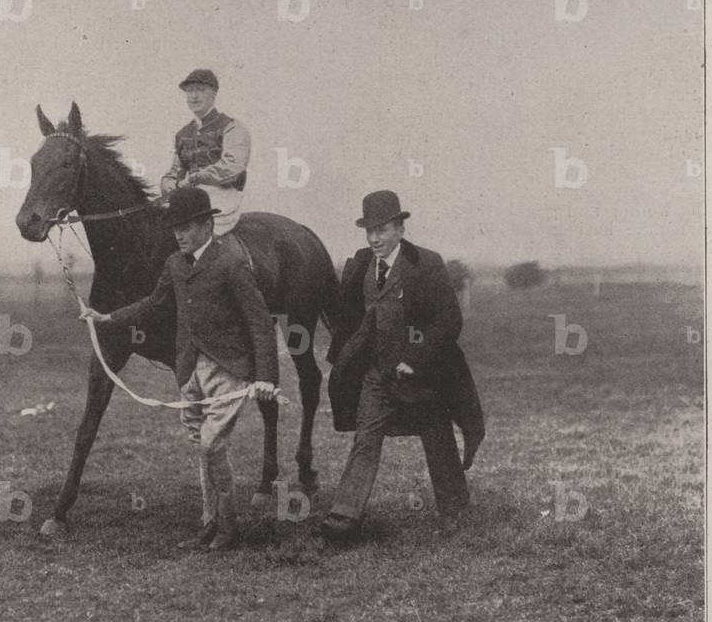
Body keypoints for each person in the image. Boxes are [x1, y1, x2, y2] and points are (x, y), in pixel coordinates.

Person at [81, 187, 279, 551]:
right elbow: (152, 304)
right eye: (175, 227)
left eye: (187, 227)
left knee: (210, 443)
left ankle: (228, 527)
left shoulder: (231, 264)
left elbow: (260, 323)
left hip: (228, 369)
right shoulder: (174, 264)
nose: (179, 234)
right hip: (190, 369)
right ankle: (209, 523)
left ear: (207, 224)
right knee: (201, 446)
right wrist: (107, 318)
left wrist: (265, 376)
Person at [320, 190, 485, 545]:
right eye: (369, 231)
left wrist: (417, 358)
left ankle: (456, 514)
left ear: (400, 229)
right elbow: (349, 316)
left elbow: (448, 320)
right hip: (377, 374)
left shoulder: (425, 264)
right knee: (365, 440)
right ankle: (344, 520)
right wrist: (346, 357)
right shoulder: (363, 265)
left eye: (382, 230)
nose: (375, 238)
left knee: (438, 441)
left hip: (422, 377)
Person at [160, 69, 250, 235]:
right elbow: (175, 170)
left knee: (197, 231)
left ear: (214, 93)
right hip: (187, 196)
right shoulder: (183, 133)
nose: (194, 96)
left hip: (221, 195)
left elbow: (232, 167)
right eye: (190, 91)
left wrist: (195, 178)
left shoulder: (232, 127)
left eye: (200, 90)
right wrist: (168, 184)